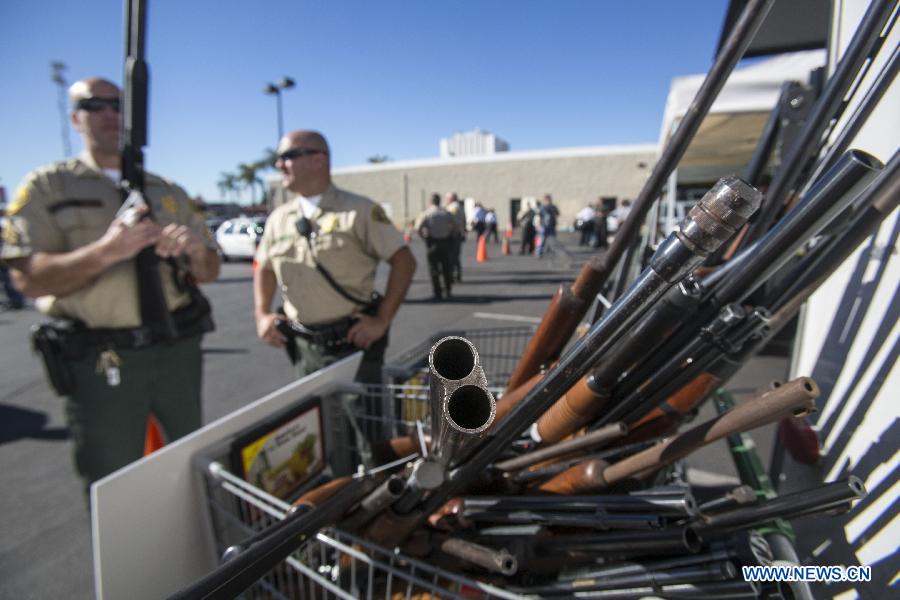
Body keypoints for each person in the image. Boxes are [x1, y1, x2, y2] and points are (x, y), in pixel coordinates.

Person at [0, 77, 220, 494]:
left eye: (119, 105)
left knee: (193, 465)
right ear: (75, 117)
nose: (110, 114)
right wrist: (106, 251)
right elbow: (26, 279)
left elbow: (210, 271)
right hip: (102, 362)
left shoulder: (168, 191)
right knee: (114, 484)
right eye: (95, 105)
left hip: (176, 352)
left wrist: (194, 251)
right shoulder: (48, 187)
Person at [254, 130, 416, 386]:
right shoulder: (278, 219)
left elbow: (404, 261)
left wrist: (382, 319)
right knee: (313, 423)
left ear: (318, 159)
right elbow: (264, 268)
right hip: (302, 348)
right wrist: (262, 314)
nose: (279, 165)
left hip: (352, 345)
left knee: (362, 423)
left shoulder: (360, 210)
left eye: (288, 156)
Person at [415, 193, 458, 300]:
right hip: (445, 242)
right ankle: (448, 290)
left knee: (434, 269)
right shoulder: (446, 212)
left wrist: (424, 237)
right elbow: (455, 226)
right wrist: (450, 235)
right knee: (446, 267)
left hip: (432, 243)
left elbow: (417, 228)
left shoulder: (426, 213)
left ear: (430, 202)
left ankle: (437, 292)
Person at [444, 192, 466, 282]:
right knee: (455, 256)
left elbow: (451, 221)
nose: (446, 200)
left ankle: (453, 275)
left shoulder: (453, 207)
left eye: (447, 198)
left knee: (452, 256)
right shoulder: (459, 207)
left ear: (451, 199)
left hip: (453, 234)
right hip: (457, 233)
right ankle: (457, 275)